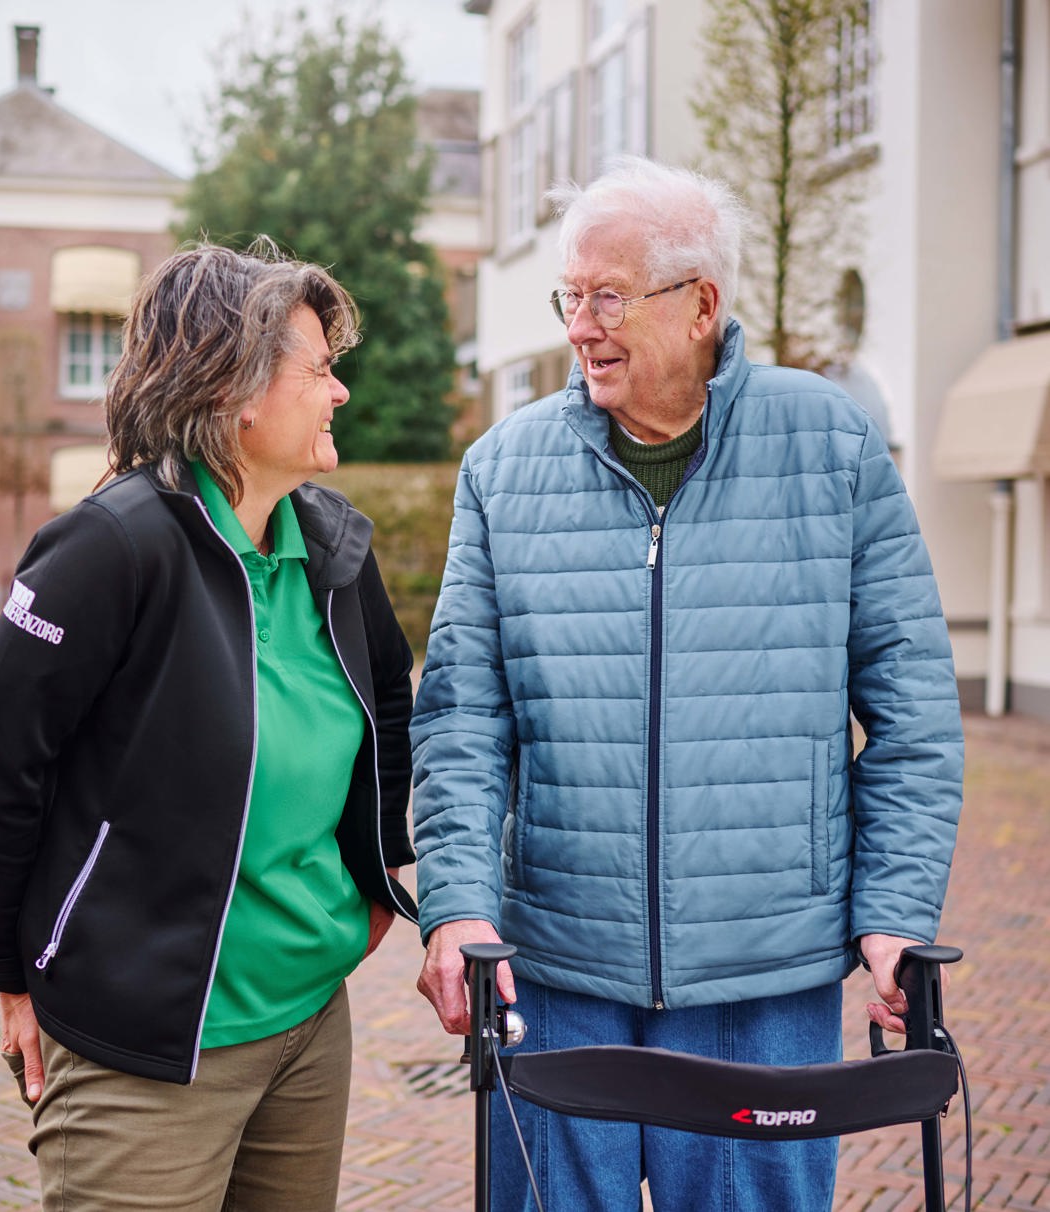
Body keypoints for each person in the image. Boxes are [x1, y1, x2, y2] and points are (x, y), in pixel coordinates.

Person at [411, 157, 963, 1212]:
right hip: (558, 977)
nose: (580, 325)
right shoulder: (501, 471)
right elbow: (463, 720)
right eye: (570, 296)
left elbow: (913, 710)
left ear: (702, 304)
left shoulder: (832, 447)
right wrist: (459, 906)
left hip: (767, 981)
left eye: (607, 295)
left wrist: (891, 910)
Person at [0, 241, 417, 1212]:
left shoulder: (333, 544)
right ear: (237, 391)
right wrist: (13, 975)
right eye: (318, 369)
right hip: (143, 1045)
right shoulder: (109, 547)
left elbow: (390, 707)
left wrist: (376, 883)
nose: (339, 392)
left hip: (309, 1028)